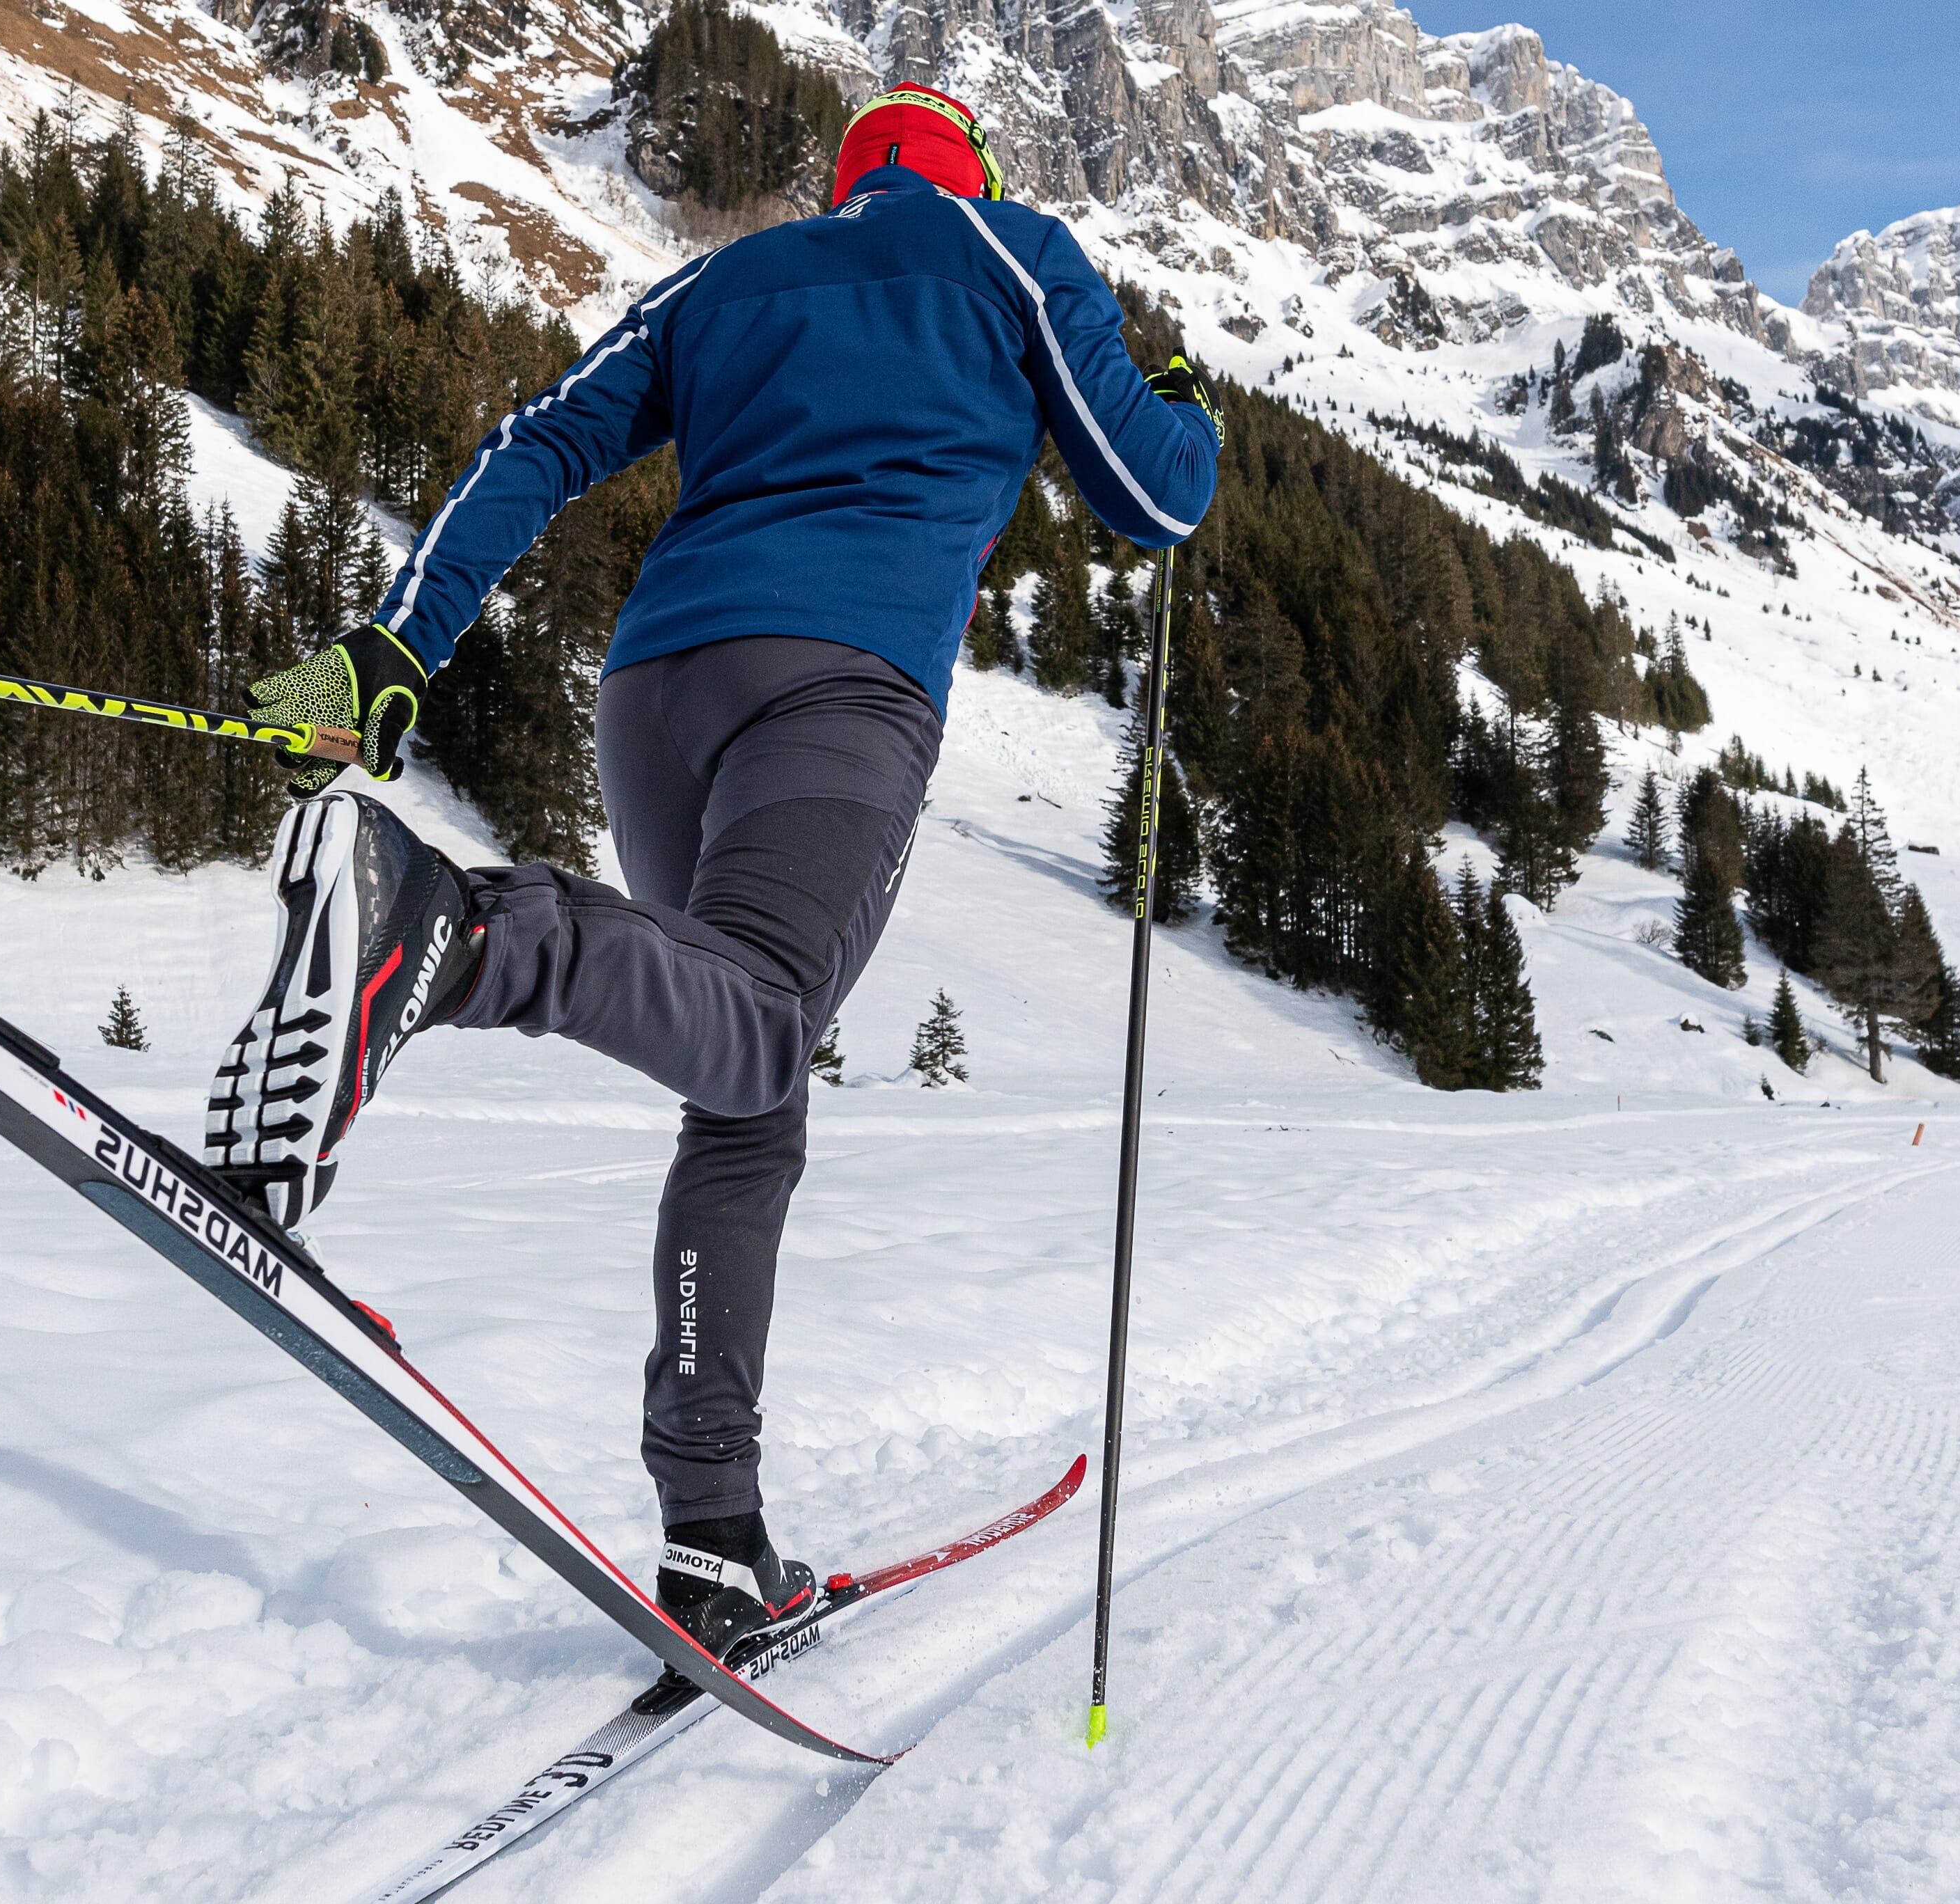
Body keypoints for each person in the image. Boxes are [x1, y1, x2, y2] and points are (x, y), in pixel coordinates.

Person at [202, 84, 1221, 1652]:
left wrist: (404, 638)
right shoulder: (1017, 256)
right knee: (757, 1022)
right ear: (976, 170)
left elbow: (539, 444)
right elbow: (1156, 497)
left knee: (744, 1089)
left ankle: (714, 1535)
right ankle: (453, 934)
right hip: (842, 685)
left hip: (657, 694)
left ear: (846, 183)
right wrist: (1173, 396)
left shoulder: (724, 282)